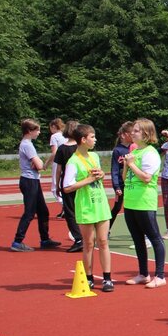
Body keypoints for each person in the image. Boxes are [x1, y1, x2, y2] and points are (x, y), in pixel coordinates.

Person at [61, 124, 113, 292]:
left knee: (104, 241)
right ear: (83, 140)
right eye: (92, 137)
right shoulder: (73, 161)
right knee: (89, 243)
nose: (95, 139)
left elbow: (99, 175)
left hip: (100, 203)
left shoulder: (95, 156)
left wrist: (101, 175)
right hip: (85, 205)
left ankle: (107, 278)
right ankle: (88, 277)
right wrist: (89, 180)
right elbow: (67, 187)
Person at [122, 119, 167, 289]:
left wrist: (131, 164)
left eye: (136, 131)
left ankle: (160, 275)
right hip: (131, 201)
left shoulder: (150, 153)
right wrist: (128, 164)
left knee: (154, 237)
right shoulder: (135, 152)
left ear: (146, 134)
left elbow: (147, 177)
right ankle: (143, 273)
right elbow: (125, 177)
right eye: (133, 130)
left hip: (144, 202)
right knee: (137, 238)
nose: (132, 133)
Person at [10, 119, 61, 252]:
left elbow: (38, 164)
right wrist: (41, 164)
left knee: (43, 211)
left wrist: (40, 164)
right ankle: (17, 241)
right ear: (29, 131)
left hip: (33, 180)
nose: (39, 132)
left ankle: (45, 239)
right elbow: (39, 166)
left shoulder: (28, 144)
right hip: (29, 181)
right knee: (29, 212)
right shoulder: (27, 145)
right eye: (37, 130)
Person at [54, 120, 84, 252]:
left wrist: (57, 185)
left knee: (70, 211)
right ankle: (86, 236)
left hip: (68, 182)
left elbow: (58, 169)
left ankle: (78, 238)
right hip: (82, 182)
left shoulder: (62, 148)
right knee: (82, 209)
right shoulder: (80, 148)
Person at [109, 122, 133, 234]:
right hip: (121, 184)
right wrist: (116, 186)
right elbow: (114, 170)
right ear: (123, 135)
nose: (133, 135)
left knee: (133, 209)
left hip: (132, 183)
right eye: (130, 133)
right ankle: (106, 229)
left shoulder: (135, 148)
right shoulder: (117, 151)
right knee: (117, 208)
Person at [44, 118, 66, 215]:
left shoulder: (54, 136)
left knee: (55, 187)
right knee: (65, 185)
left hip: (58, 162)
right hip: (67, 163)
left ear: (53, 127)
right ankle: (64, 209)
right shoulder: (66, 135)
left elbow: (54, 152)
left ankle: (65, 207)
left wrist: (46, 163)